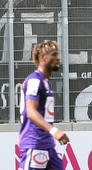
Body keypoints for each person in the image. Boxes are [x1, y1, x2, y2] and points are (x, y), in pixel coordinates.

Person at [18, 40, 69, 170]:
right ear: (42, 57)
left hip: (47, 144)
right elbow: (31, 111)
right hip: (34, 143)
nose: (58, 58)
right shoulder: (35, 80)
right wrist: (54, 130)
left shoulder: (45, 81)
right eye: (54, 54)